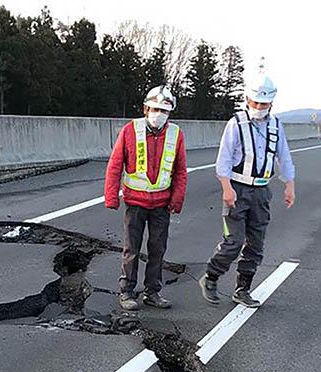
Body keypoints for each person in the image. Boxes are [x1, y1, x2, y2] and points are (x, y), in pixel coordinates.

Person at [198, 72, 296, 308]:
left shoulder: (276, 125)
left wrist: (289, 185)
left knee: (256, 243)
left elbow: (284, 155)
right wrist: (226, 188)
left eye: (265, 103)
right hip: (238, 188)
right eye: (256, 103)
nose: (260, 107)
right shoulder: (236, 123)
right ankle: (210, 277)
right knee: (233, 241)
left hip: (261, 191)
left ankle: (242, 289)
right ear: (248, 99)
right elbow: (223, 159)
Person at [104, 85, 188, 310]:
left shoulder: (176, 134)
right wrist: (111, 197)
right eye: (154, 109)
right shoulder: (130, 131)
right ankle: (127, 291)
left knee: (157, 250)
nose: (158, 114)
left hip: (162, 205)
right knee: (131, 248)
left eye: (164, 111)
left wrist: (176, 200)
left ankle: (153, 292)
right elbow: (115, 165)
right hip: (135, 203)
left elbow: (180, 170)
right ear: (145, 108)